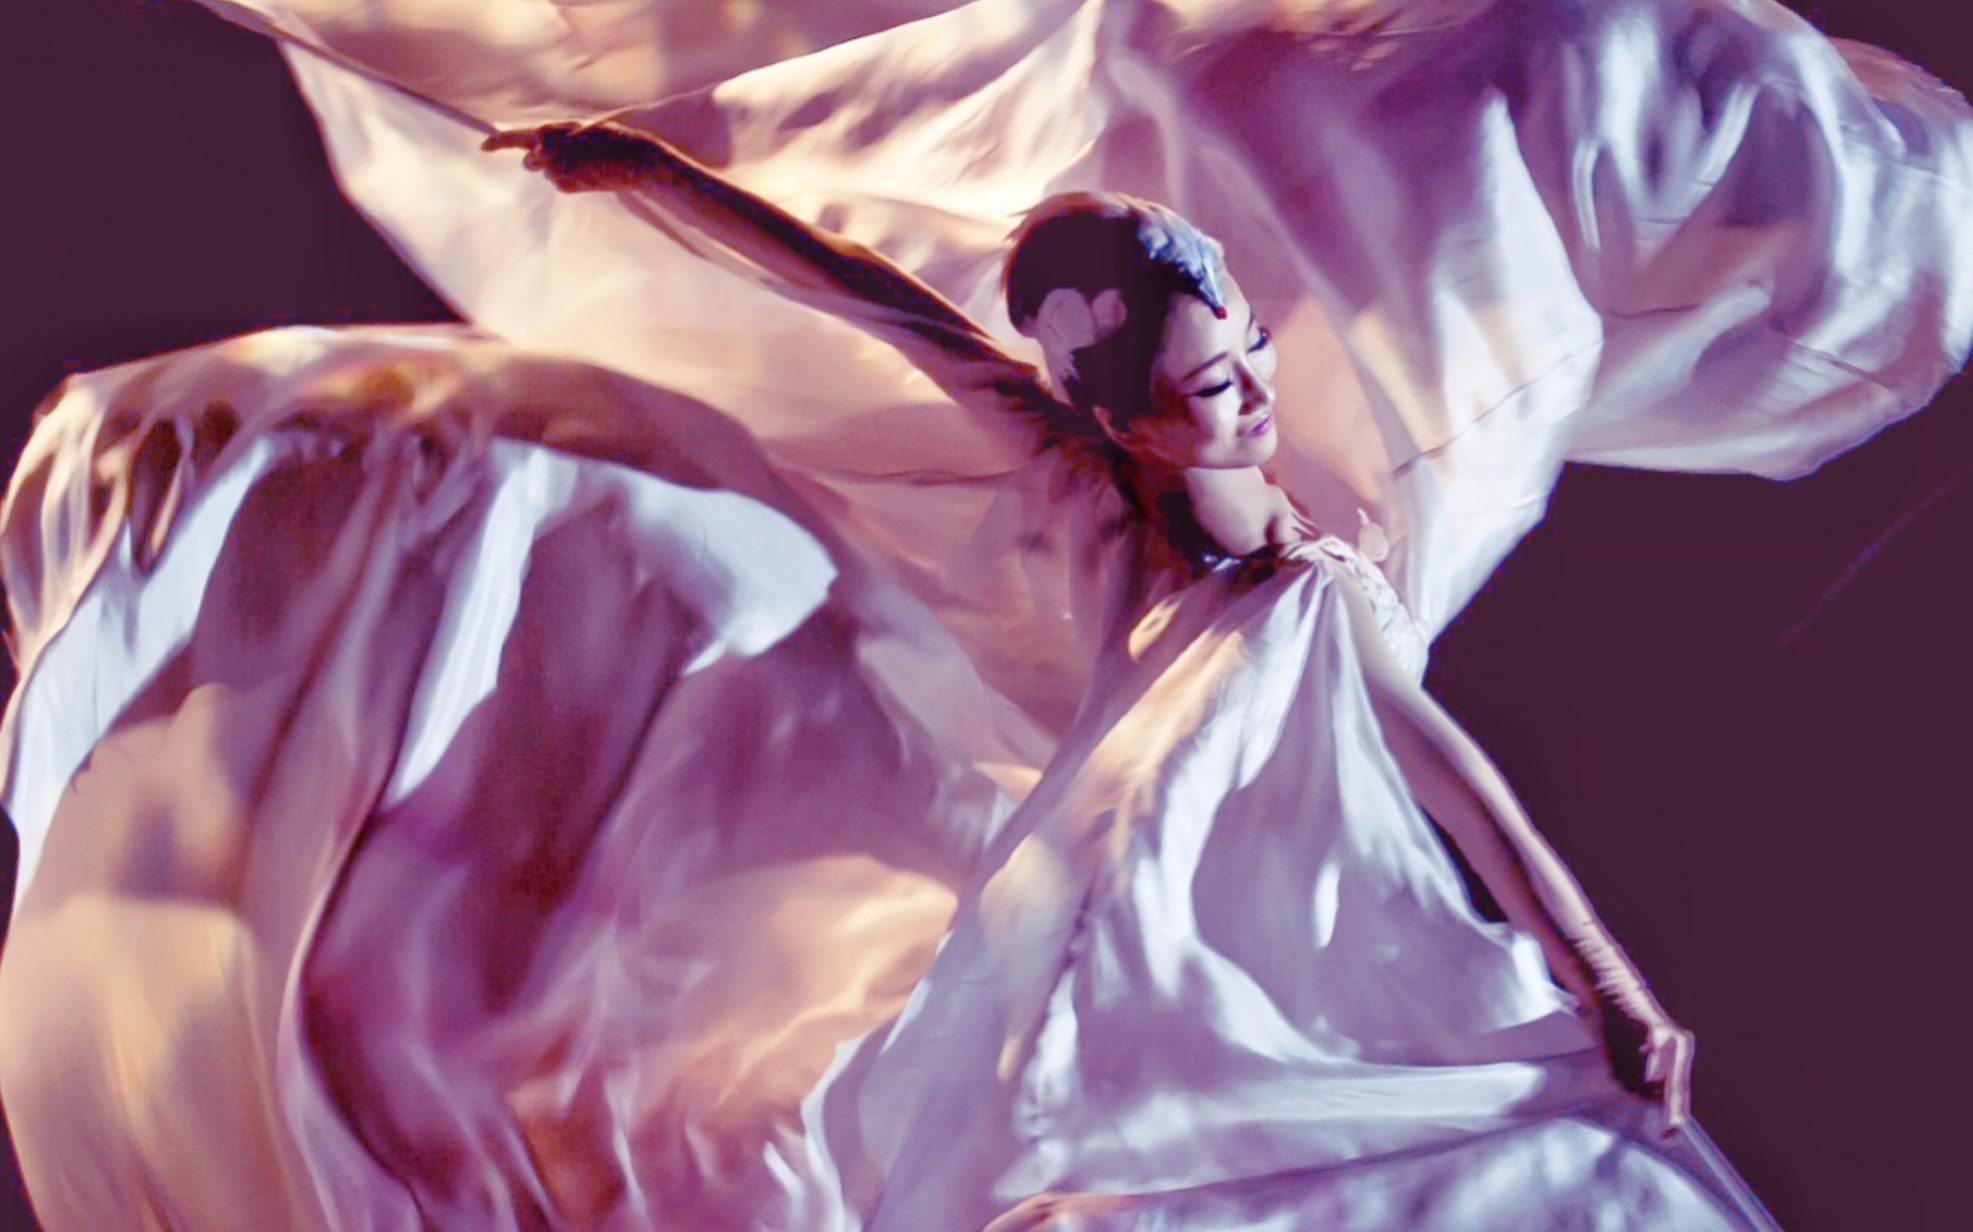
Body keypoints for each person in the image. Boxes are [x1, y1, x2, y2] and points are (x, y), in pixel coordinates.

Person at [2, 1, 1967, 1229]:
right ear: (1118, 410)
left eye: (1242, 369)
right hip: (1116, 898)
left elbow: (1452, 781)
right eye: (1195, 394)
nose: (1240, 407)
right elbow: (861, 297)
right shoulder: (1077, 486)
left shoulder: (1315, 570)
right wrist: (639, 171)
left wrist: (1614, 994)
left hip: (1292, 917)